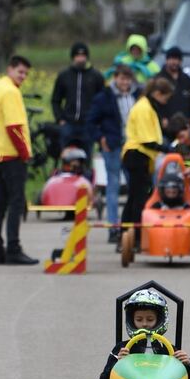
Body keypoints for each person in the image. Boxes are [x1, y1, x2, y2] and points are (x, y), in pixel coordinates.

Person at [0, 55, 39, 265]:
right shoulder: (10, 92)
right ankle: (13, 248)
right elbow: (14, 128)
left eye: (25, 73)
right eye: (20, 72)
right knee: (16, 202)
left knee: (0, 202)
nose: (23, 77)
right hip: (11, 154)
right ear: (10, 69)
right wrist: (25, 154)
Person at [87, 65, 139, 243]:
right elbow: (91, 122)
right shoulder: (103, 98)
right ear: (115, 79)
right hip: (113, 146)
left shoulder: (136, 96)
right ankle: (113, 226)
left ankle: (132, 224)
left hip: (132, 145)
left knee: (135, 185)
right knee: (113, 186)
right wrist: (100, 138)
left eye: (127, 79)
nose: (124, 83)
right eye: (121, 79)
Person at [121, 78, 173, 246]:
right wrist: (167, 149)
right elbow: (146, 139)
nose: (166, 103)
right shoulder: (144, 108)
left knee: (134, 196)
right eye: (165, 99)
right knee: (139, 198)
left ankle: (126, 233)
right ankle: (135, 236)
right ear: (158, 94)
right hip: (137, 155)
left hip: (140, 156)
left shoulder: (147, 106)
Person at [50, 41, 104, 153]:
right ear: (73, 57)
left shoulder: (96, 76)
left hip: (87, 124)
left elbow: (102, 101)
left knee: (87, 156)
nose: (80, 59)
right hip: (68, 124)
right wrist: (60, 119)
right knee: (67, 156)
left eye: (83, 56)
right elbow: (56, 100)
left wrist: (97, 121)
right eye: (78, 56)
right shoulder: (64, 76)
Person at [157, 47, 190, 128]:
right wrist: (160, 118)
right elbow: (153, 102)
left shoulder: (187, 80)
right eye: (172, 59)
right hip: (164, 127)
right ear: (167, 60)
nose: (175, 62)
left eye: (177, 59)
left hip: (185, 127)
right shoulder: (158, 79)